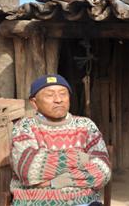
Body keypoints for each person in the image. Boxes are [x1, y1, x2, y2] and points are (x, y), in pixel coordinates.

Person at [10, 74, 111, 206]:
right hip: (33, 202)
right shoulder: (24, 127)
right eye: (50, 95)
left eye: (63, 94)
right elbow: (28, 169)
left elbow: (103, 171)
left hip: (83, 202)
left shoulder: (86, 125)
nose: (58, 100)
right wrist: (83, 158)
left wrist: (56, 181)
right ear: (34, 103)